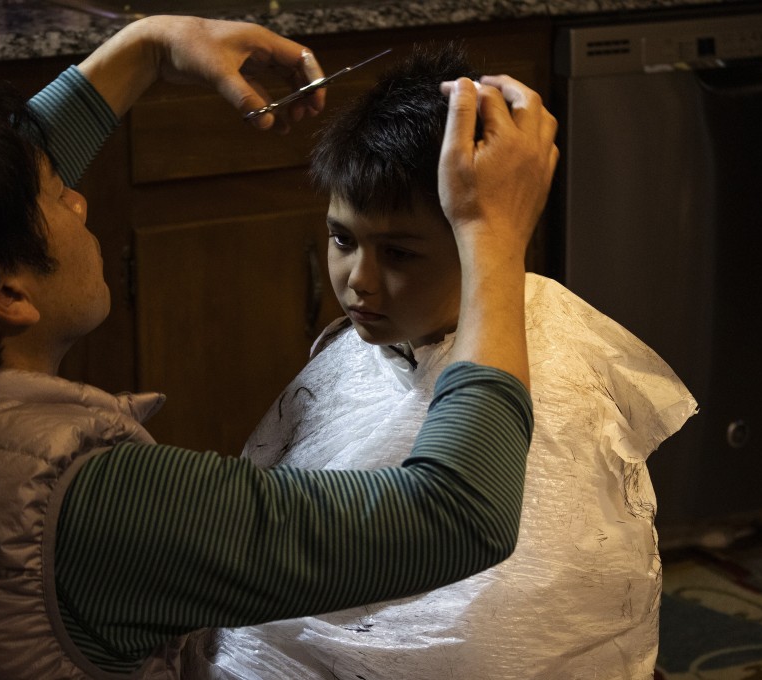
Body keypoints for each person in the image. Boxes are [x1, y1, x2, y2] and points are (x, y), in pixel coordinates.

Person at [0, 17, 559, 680]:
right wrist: (493, 236)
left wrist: (150, 48)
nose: (78, 200)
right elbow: (458, 517)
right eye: (54, 196)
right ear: (7, 292)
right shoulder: (88, 511)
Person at [188, 45, 698, 679]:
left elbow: (521, 621)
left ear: (487, 233)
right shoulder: (357, 352)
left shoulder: (557, 368)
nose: (358, 284)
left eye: (400, 254)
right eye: (342, 239)